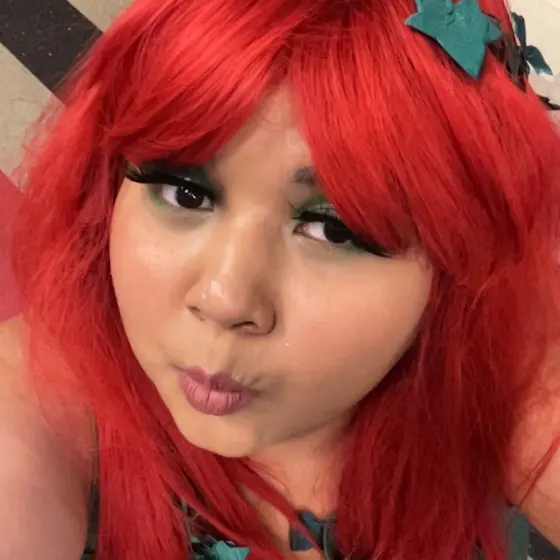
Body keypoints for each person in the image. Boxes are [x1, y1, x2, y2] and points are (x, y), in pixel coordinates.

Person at [1, 0, 559, 558]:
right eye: (185, 193)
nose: (223, 299)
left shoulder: (505, 358)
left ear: (457, 264)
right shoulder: (41, 390)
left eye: (333, 230)